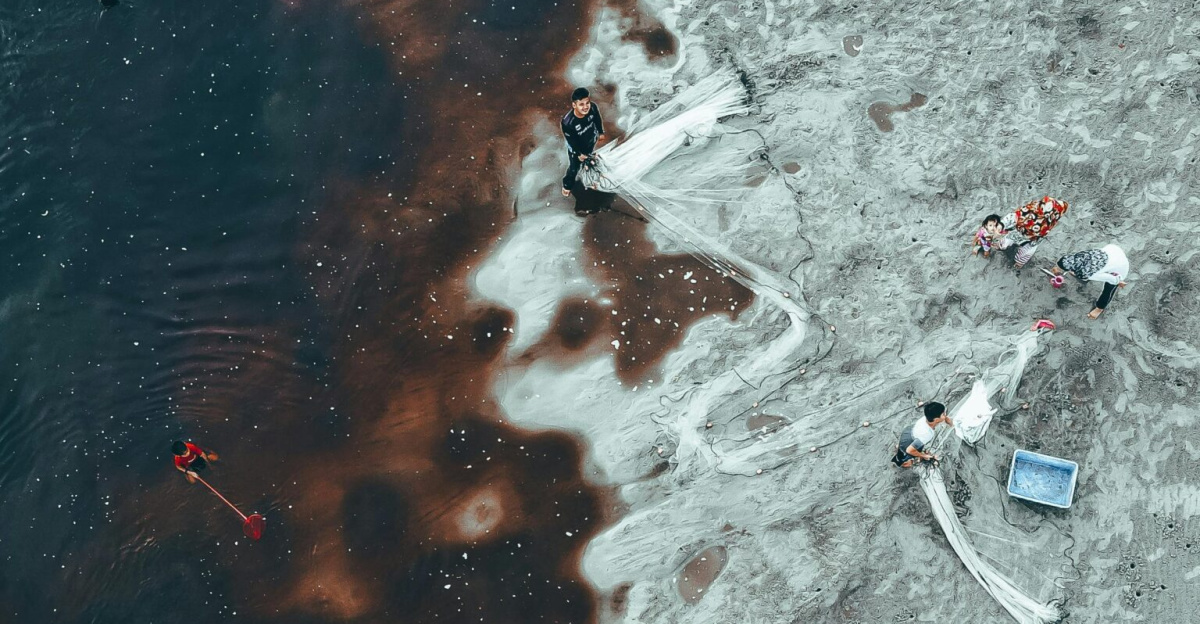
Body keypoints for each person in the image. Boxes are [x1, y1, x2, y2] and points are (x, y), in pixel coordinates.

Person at [1052, 244, 1129, 319]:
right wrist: (1059, 267)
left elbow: (1112, 279)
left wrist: (1118, 281)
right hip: (1113, 251)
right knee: (1084, 272)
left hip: (1120, 268)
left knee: (1108, 290)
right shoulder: (1082, 255)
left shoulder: (1093, 274)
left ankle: (1099, 308)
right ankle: (1081, 275)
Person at [993, 196, 1069, 269]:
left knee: (1026, 252)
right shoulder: (1031, 210)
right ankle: (1001, 246)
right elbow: (1014, 216)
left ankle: (1019, 261)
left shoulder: (1050, 220)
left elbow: (1061, 207)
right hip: (1018, 232)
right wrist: (1002, 224)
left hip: (1034, 239)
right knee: (1007, 241)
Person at [560, 87, 606, 197]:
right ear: (574, 105)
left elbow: (597, 119)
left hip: (590, 140)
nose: (585, 107)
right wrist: (578, 154)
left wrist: (600, 132)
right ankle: (567, 185)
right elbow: (571, 141)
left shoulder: (593, 108)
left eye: (587, 103)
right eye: (581, 104)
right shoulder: (568, 123)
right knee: (573, 168)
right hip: (577, 148)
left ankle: (592, 177)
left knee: (591, 160)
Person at [891, 402, 954, 468]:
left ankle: (899, 447)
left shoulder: (928, 416)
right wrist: (923, 455)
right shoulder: (927, 434)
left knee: (909, 446)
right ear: (936, 419)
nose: (945, 414)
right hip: (909, 442)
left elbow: (939, 415)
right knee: (907, 462)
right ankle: (900, 462)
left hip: (909, 431)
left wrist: (947, 420)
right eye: (943, 414)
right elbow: (909, 450)